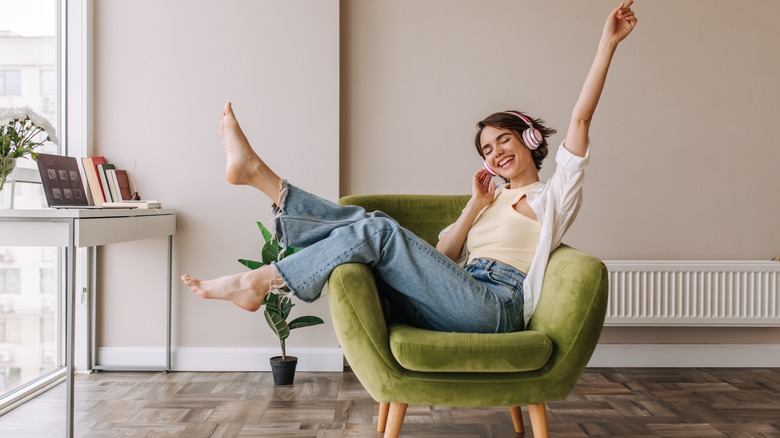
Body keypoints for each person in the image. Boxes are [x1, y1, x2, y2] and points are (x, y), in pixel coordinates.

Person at [181, 1, 638, 333]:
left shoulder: (553, 196)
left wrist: (607, 43)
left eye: (504, 139)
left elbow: (581, 118)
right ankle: (261, 184)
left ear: (530, 139)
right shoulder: (491, 199)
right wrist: (474, 206)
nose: (496, 152)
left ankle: (261, 249)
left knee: (380, 229)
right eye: (487, 148)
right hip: (454, 295)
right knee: (376, 226)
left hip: (496, 308)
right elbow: (442, 257)